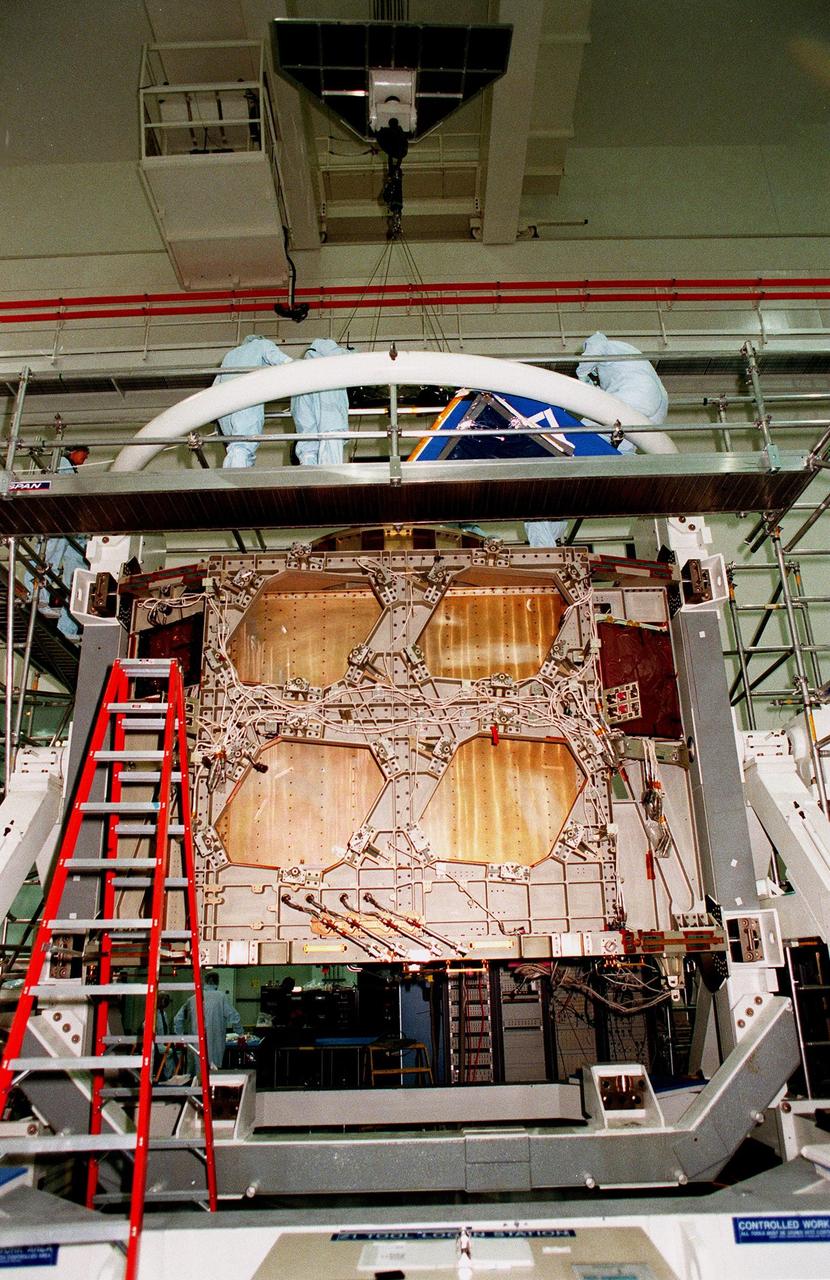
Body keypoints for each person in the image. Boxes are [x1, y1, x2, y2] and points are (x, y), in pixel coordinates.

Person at [525, 333, 668, 548]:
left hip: (634, 397)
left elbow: (594, 348)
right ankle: (625, 465)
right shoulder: (633, 362)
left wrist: (583, 377)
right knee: (618, 447)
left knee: (581, 439)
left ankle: (544, 547)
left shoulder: (607, 345)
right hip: (654, 407)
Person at [24, 445, 90, 639]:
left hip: (68, 526)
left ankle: (65, 625)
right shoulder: (60, 465)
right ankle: (35, 594)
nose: (85, 459)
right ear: (74, 452)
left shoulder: (69, 470)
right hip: (56, 521)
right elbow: (58, 494)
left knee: (75, 571)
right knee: (48, 556)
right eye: (84, 455)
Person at [213, 335, 292, 468]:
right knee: (243, 446)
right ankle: (237, 483)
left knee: (235, 447)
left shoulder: (230, 355)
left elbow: (214, 388)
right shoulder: (262, 345)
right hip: (246, 399)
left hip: (224, 407)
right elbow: (284, 362)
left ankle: (233, 478)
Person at [291, 337, 350, 466]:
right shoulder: (328, 367)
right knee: (331, 443)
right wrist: (351, 351)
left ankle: (310, 481)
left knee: (308, 447)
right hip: (330, 418)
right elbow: (350, 360)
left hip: (305, 417)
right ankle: (330, 482)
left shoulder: (301, 373)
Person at [173, 970, 243, 1074]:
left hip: (196, 1045)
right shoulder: (221, 997)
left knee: (197, 1075)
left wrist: (181, 1038)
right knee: (214, 1075)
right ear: (217, 983)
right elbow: (234, 1017)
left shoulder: (193, 998)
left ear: (205, 982)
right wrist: (240, 1034)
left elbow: (177, 1019)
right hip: (216, 1044)